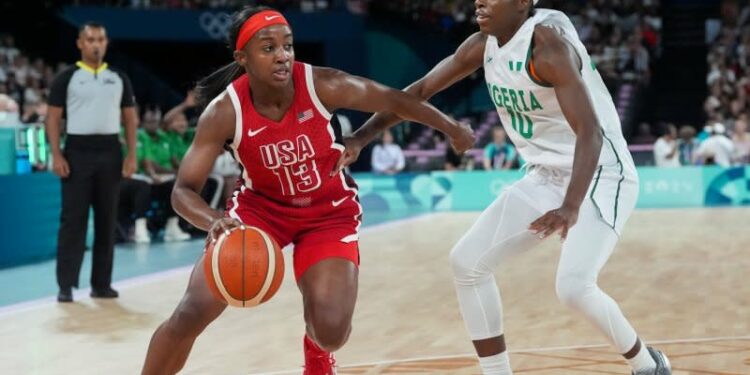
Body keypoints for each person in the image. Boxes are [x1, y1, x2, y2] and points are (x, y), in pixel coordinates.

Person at [335, 1, 671, 374]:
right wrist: (362, 138)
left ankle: (649, 365)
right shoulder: (482, 44)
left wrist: (570, 207)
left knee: (574, 287)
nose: (480, 1)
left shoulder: (548, 48)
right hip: (545, 174)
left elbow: (590, 133)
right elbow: (419, 90)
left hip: (601, 174)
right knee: (466, 263)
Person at [140, 6, 474, 375]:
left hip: (328, 212)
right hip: (259, 212)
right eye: (268, 48)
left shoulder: (323, 84)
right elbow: (183, 191)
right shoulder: (224, 112)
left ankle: (317, 351)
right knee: (190, 313)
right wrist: (214, 219)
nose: (282, 55)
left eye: (288, 45)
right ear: (242, 58)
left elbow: (396, 100)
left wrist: (450, 127)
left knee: (331, 331)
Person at [45, 22, 138, 303]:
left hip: (110, 151)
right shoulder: (67, 77)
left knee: (107, 220)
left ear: (106, 43)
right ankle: (66, 285)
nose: (96, 44)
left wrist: (131, 154)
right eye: (90, 39)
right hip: (76, 152)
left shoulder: (119, 77)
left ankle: (101, 284)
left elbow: (130, 119)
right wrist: (57, 154)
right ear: (80, 44)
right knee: (73, 221)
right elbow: (52, 118)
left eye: (100, 39)